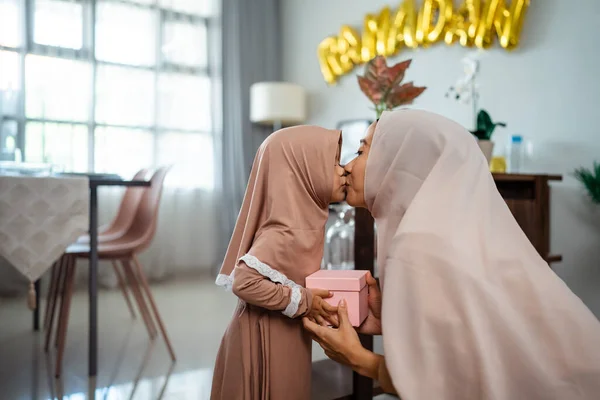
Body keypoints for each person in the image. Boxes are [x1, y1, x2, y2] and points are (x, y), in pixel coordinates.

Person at [304, 109, 600, 399]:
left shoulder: (417, 244)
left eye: (361, 151)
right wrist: (395, 316)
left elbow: (446, 387)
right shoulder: (458, 234)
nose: (348, 166)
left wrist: (357, 358)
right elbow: (484, 345)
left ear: (399, 162)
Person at [211, 125, 345, 400]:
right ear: (303, 172)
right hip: (261, 341)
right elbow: (243, 281)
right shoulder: (285, 231)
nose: (343, 170)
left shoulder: (306, 222)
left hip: (285, 336)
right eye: (333, 163)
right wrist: (302, 300)